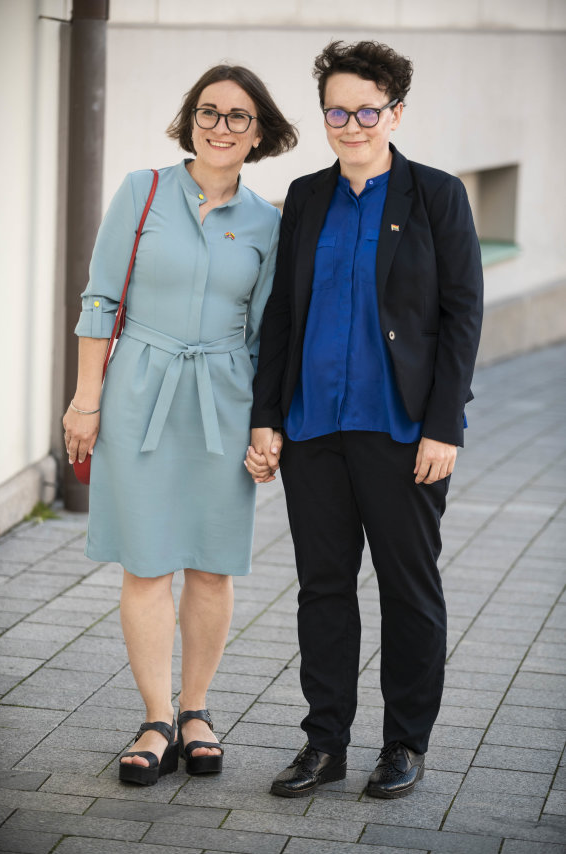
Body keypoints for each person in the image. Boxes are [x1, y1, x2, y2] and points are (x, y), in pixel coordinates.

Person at [245, 40, 483, 799]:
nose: (351, 124)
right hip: (314, 430)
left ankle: (404, 746)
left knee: (408, 591)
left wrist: (444, 427)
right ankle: (325, 744)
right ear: (325, 116)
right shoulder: (308, 196)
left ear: (395, 112)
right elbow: (282, 313)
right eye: (337, 111)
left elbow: (461, 315)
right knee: (323, 590)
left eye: (366, 110)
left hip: (401, 431)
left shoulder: (436, 196)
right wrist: (267, 416)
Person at [63, 64, 297, 786]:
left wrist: (267, 427)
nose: (220, 126)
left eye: (238, 117)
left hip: (223, 399)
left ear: (259, 134)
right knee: (146, 561)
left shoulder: (269, 220)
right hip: (137, 392)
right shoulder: (142, 191)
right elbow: (101, 298)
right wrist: (85, 398)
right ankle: (157, 718)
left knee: (211, 565)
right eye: (209, 111)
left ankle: (198, 710)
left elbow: (267, 337)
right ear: (189, 118)